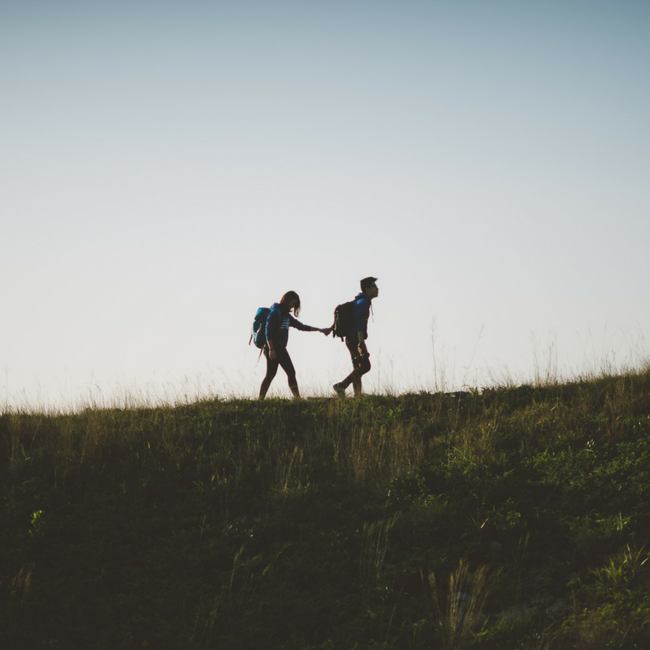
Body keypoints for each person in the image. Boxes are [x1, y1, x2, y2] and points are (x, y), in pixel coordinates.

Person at [259, 291, 330, 400]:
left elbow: (300, 326)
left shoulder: (286, 315)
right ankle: (262, 399)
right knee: (275, 374)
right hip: (273, 348)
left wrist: (319, 330)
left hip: (281, 348)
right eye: (292, 303)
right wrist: (271, 349)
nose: (293, 306)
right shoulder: (275, 312)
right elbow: (268, 332)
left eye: (295, 305)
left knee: (286, 373)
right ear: (286, 300)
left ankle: (297, 398)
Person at [333, 277, 379, 397]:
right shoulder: (363, 303)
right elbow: (359, 323)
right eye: (375, 286)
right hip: (354, 339)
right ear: (367, 289)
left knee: (357, 367)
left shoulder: (360, 301)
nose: (377, 289)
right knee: (365, 366)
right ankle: (341, 386)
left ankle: (357, 396)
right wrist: (360, 343)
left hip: (352, 339)